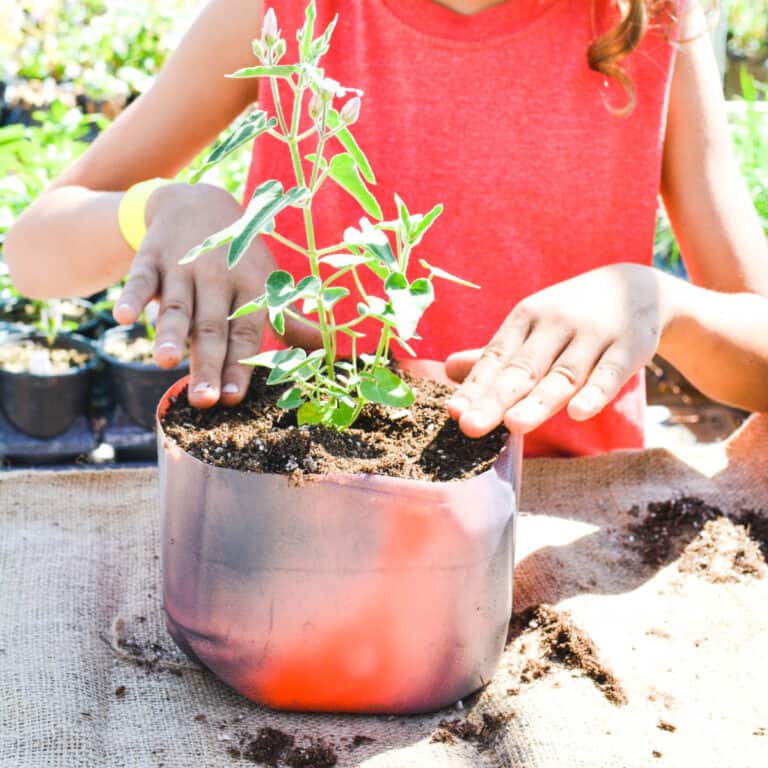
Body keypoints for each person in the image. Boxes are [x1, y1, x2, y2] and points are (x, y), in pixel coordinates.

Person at [5, 0, 768, 456]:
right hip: (307, 501)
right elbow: (33, 253)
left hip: (562, 524)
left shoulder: (648, 21)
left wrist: (659, 302)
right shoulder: (289, 10)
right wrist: (162, 208)